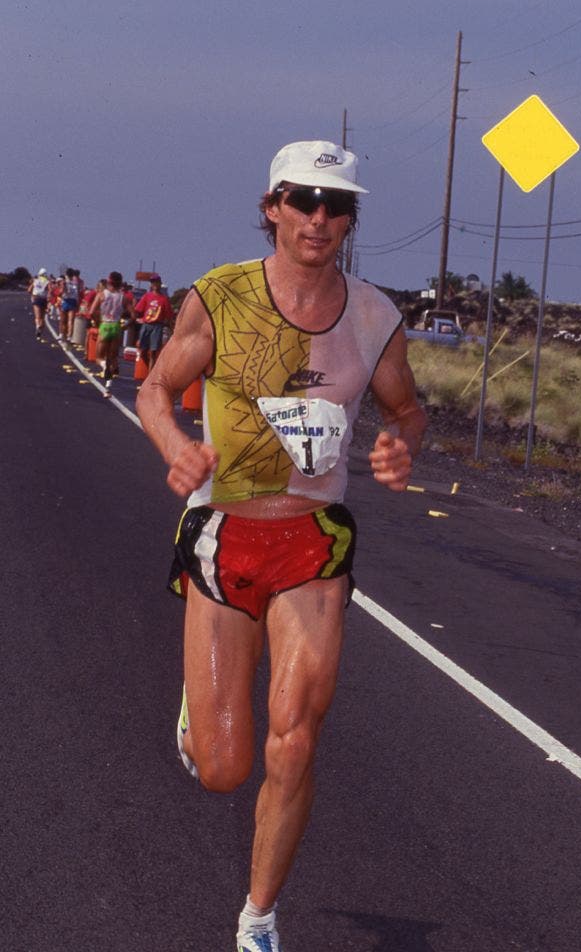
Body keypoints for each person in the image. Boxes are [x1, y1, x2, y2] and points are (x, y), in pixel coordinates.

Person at [136, 140, 427, 952]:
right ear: (272, 206)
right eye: (304, 200)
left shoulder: (375, 317)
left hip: (314, 542)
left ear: (350, 220)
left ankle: (259, 917)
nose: (320, 219)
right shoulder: (220, 297)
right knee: (227, 766)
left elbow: (407, 409)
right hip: (226, 533)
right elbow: (156, 388)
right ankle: (201, 715)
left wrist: (402, 445)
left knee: (295, 736)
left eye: (337, 206)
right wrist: (177, 448)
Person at [88, 271, 134, 396]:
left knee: (99, 358)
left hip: (105, 324)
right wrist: (125, 327)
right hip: (116, 326)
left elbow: (91, 311)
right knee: (112, 358)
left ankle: (104, 368)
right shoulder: (123, 297)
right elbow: (133, 316)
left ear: (109, 282)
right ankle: (108, 386)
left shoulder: (102, 294)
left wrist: (98, 323)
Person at [134, 274, 175, 371]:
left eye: (156, 282)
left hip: (157, 326)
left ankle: (150, 375)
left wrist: (172, 329)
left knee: (153, 351)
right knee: (143, 351)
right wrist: (135, 319)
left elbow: (169, 316)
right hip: (146, 325)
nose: (155, 284)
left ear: (160, 283)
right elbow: (138, 310)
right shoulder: (147, 296)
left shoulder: (164, 299)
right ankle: (151, 369)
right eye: (153, 282)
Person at [28, 268, 50, 339]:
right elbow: (50, 291)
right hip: (44, 299)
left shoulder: (36, 281)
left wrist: (33, 293)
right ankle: (40, 329)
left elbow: (29, 290)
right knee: (42, 318)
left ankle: (37, 326)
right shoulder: (47, 282)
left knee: (37, 316)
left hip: (37, 298)